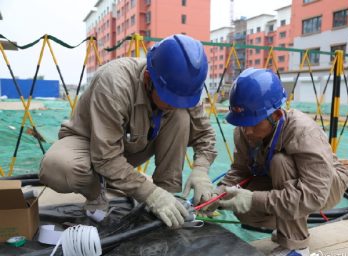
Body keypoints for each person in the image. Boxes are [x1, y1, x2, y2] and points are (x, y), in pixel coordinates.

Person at [39, 34, 217, 228]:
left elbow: (205, 134)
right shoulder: (115, 83)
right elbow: (106, 156)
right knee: (58, 167)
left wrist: (201, 170)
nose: (176, 104)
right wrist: (150, 194)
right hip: (89, 144)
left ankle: (167, 194)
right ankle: (96, 191)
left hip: (132, 145)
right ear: (149, 79)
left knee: (181, 117)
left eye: (183, 100)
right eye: (170, 99)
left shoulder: (184, 89)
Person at [214, 68, 348, 256]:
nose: (247, 131)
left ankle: (296, 247)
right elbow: (240, 170)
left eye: (253, 123)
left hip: (325, 186)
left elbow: (314, 194)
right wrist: (218, 192)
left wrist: (253, 198)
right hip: (288, 182)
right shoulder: (245, 130)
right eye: (242, 123)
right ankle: (285, 226)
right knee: (244, 208)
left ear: (277, 115)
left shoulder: (303, 132)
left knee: (280, 162)